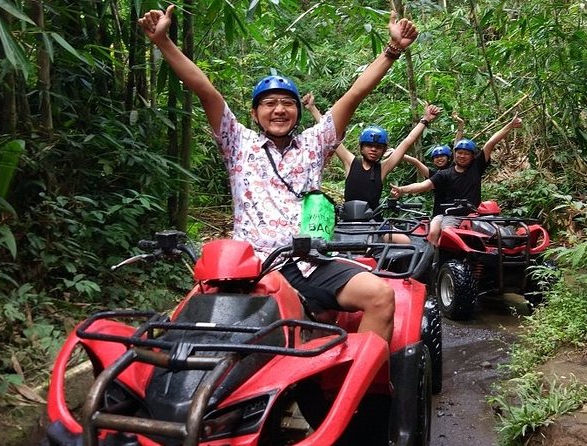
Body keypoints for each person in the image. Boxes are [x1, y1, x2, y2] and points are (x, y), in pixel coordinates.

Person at [138, 6, 419, 343]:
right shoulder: (238, 143)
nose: (279, 109)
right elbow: (206, 91)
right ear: (255, 113)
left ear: (298, 112)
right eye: (269, 103)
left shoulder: (315, 143)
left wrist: (393, 50)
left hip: (307, 264)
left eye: (287, 102)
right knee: (186, 330)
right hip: (248, 270)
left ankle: (365, 387)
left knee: (380, 294)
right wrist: (163, 42)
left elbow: (354, 94)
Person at [303, 93, 440, 242]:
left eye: (378, 147)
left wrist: (425, 120)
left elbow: (407, 142)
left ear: (383, 150)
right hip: (348, 221)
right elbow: (329, 133)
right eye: (369, 146)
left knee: (405, 241)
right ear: (361, 148)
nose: (373, 150)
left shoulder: (383, 168)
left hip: (374, 222)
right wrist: (312, 108)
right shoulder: (350, 161)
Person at [391, 114, 522, 246]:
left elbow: (491, 143)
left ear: (472, 156)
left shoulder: (476, 167)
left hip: (475, 214)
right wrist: (402, 189)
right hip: (451, 215)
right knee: (446, 233)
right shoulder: (444, 174)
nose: (462, 156)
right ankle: (436, 261)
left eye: (466, 153)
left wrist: (510, 125)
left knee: (492, 236)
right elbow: (424, 185)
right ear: (454, 154)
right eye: (459, 153)